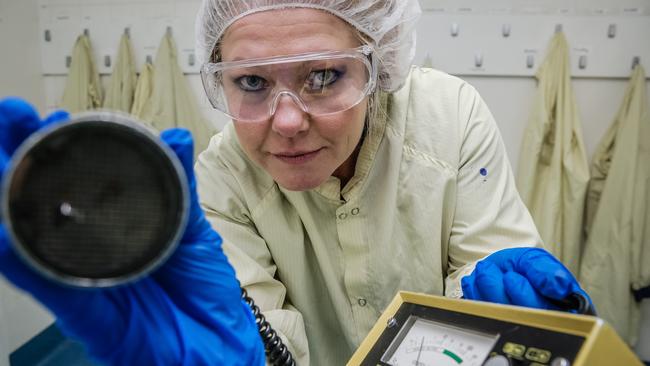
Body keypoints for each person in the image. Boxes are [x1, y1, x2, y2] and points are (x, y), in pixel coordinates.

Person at [0, 1, 592, 365]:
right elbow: (261, 337)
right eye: (252, 82)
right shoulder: (221, 179)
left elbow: (485, 273)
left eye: (324, 76)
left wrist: (499, 306)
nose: (286, 122)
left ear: (377, 67)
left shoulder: (448, 116)